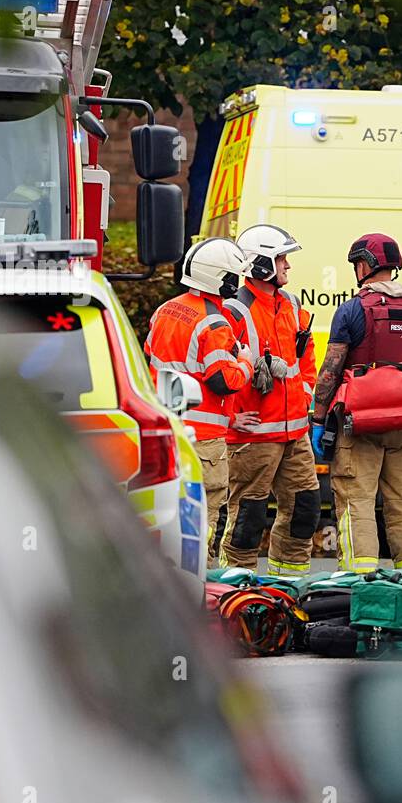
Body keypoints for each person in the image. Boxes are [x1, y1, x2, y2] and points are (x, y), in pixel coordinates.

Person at [310, 233, 402, 572]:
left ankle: (359, 579)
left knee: (356, 502)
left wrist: (319, 419)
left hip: (359, 423)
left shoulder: (351, 311)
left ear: (363, 265)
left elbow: (331, 370)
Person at [146, 237, 255, 569]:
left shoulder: (166, 310)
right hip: (204, 440)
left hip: (166, 428)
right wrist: (247, 364)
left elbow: (151, 356)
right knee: (207, 512)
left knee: (170, 511)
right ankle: (200, 579)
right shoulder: (215, 323)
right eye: (232, 276)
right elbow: (223, 379)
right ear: (218, 278)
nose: (236, 283)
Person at [219, 224, 321, 575]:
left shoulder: (291, 305)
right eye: (281, 259)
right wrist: (232, 418)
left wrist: (304, 397)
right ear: (261, 264)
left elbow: (306, 359)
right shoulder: (235, 310)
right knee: (247, 520)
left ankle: (288, 585)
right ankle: (236, 591)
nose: (288, 266)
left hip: (295, 433)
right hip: (254, 437)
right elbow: (215, 370)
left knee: (305, 510)